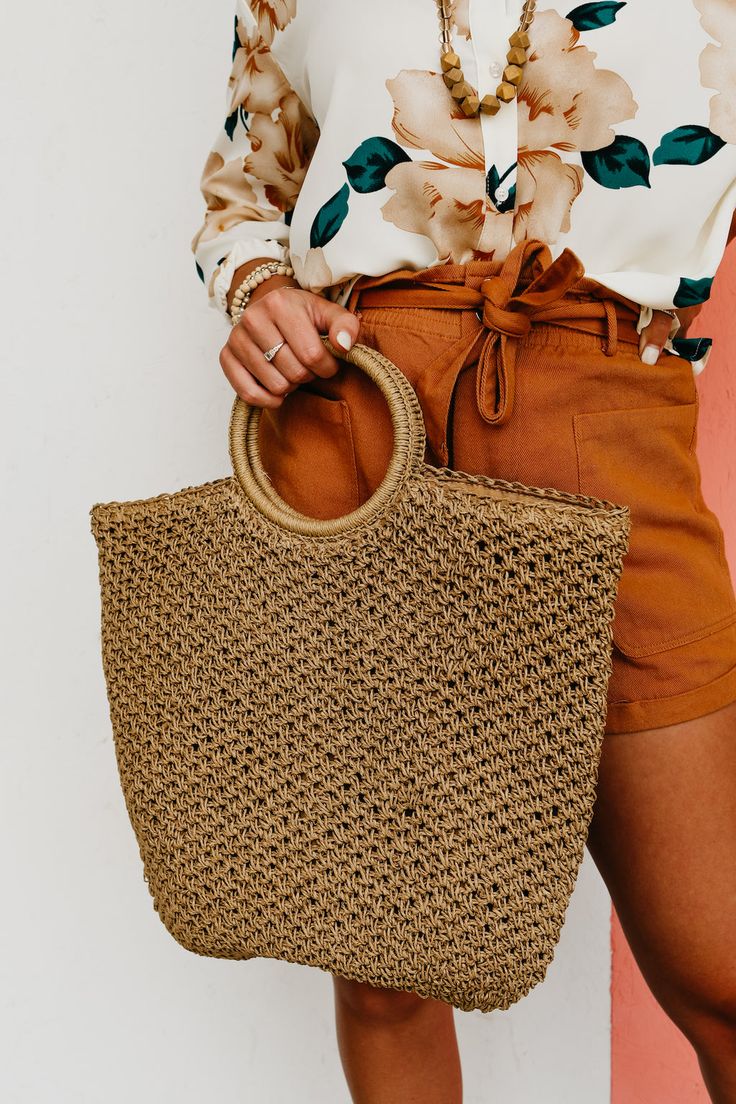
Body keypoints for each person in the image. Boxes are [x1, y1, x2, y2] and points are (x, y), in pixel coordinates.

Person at [192, 3, 736, 1100]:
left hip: (603, 406)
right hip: (358, 417)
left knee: (716, 959)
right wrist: (254, 292)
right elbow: (244, 185)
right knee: (386, 967)